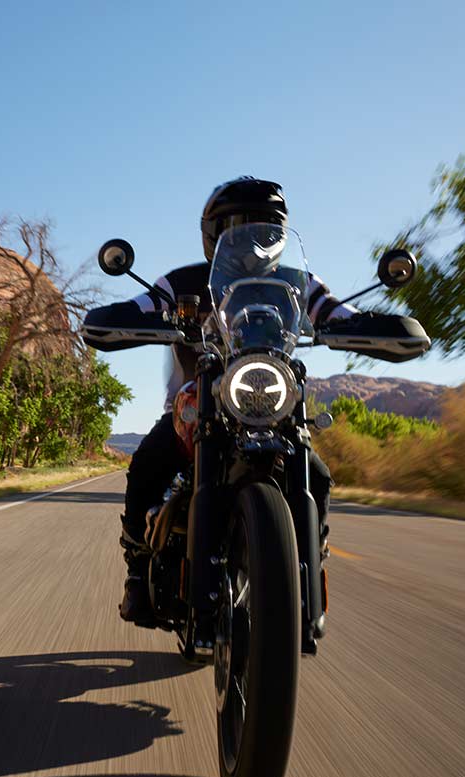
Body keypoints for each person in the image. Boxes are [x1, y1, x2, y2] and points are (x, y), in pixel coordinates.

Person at [81, 177, 348, 624]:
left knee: (317, 479)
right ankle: (135, 572)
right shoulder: (184, 281)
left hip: (272, 410)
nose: (254, 239)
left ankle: (305, 572)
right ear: (212, 234)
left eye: (266, 229)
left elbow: (337, 313)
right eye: (238, 227)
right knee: (147, 464)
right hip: (195, 408)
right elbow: (143, 304)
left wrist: (367, 326)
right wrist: (120, 318)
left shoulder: (298, 283)